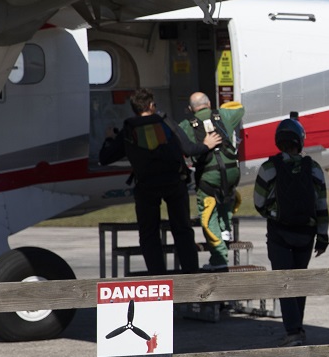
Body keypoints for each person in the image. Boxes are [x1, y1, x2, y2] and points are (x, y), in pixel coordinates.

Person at [98, 88, 220, 276]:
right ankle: (191, 274)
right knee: (182, 230)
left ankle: (157, 277)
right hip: (174, 182)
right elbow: (188, 148)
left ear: (134, 109)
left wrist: (108, 139)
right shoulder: (165, 121)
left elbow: (105, 158)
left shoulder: (129, 128)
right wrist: (206, 145)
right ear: (152, 105)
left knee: (149, 234)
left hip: (146, 186)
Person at [252, 118, 329, 345]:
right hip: (307, 234)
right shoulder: (313, 168)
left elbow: (258, 202)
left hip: (279, 233)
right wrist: (322, 236)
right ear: (300, 141)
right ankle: (298, 328)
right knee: (299, 280)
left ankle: (293, 331)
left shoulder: (268, 168)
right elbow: (322, 205)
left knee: (283, 281)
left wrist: (275, 214)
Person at [178, 92, 246, 269]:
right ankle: (225, 229)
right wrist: (220, 108)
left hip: (208, 177)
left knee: (208, 216)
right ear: (208, 103)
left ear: (191, 109)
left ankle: (219, 258)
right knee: (227, 195)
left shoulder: (185, 125)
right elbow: (240, 107)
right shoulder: (223, 115)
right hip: (232, 173)